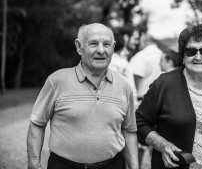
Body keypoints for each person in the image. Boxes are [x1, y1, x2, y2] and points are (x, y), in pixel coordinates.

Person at [27, 23, 139, 169]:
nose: (101, 50)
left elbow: (129, 130)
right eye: (93, 44)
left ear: (113, 47)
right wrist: (34, 164)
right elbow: (37, 123)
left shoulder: (125, 86)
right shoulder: (57, 81)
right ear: (79, 47)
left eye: (106, 44)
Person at [136, 24, 202, 169]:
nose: (198, 57)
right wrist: (163, 146)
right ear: (182, 56)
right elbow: (139, 122)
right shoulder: (163, 84)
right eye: (191, 51)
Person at [129, 32, 162, 102]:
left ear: (145, 42)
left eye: (140, 41)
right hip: (161, 101)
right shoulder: (163, 55)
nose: (138, 43)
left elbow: (134, 79)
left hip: (142, 101)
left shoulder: (141, 56)